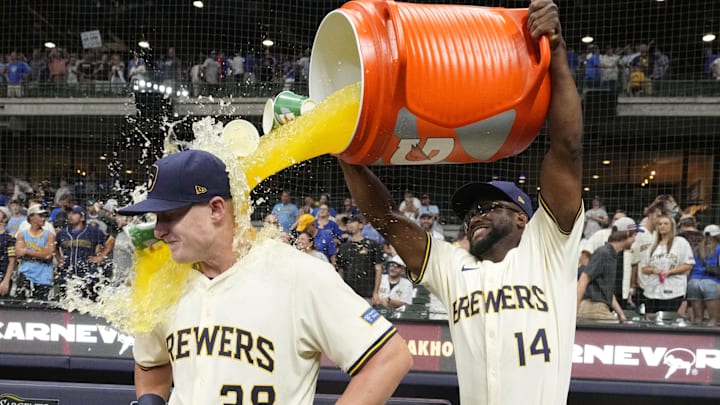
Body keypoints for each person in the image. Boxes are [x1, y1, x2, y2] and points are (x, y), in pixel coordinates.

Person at [339, 1, 583, 403]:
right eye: (471, 213)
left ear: (524, 219)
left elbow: (567, 148)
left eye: (490, 207)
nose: (475, 216)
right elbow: (383, 217)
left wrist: (555, 51)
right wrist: (345, 152)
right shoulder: (457, 269)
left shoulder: (548, 249)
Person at [117, 150, 412, 404]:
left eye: (168, 215)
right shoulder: (161, 279)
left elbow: (389, 357)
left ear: (216, 209)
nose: (158, 230)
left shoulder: (296, 273)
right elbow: (150, 363)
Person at [577, 217, 641, 322]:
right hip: (594, 308)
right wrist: (575, 311)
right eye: (634, 235)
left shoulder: (611, 254)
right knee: (618, 336)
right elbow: (583, 280)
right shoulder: (604, 253)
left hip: (598, 307)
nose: (635, 240)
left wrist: (622, 315)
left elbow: (607, 291)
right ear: (628, 233)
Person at [638, 215, 694, 315]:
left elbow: (688, 265)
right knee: (650, 319)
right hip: (652, 290)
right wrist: (653, 270)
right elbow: (644, 269)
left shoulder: (681, 243)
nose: (662, 226)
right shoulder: (652, 246)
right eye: (660, 224)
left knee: (669, 319)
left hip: (673, 289)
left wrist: (670, 272)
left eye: (665, 224)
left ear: (672, 226)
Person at [335, 214, 384, 304]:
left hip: (367, 294)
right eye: (347, 223)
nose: (349, 224)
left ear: (361, 225)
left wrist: (376, 292)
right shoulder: (343, 247)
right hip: (348, 294)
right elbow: (340, 271)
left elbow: (378, 269)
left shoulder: (372, 245)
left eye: (352, 222)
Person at [14, 205, 55, 301]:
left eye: (44, 216)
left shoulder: (49, 235)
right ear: (31, 217)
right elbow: (19, 253)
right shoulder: (22, 234)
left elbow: (48, 255)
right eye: (40, 216)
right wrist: (40, 254)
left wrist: (27, 251)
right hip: (25, 274)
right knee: (21, 305)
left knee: (41, 308)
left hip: (43, 277)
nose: (43, 218)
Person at [687, 224, 720, 325]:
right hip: (711, 282)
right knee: (714, 320)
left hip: (693, 282)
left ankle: (694, 340)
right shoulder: (719, 248)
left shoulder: (697, 249)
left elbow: (690, 267)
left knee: (697, 320)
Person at [0, 206, 17, 297]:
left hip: (2, 275)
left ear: (5, 218)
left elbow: (12, 262)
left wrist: (6, 281)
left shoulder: (10, 238)